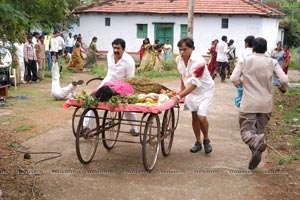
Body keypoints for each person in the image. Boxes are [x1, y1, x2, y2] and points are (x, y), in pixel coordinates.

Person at [230, 37, 289, 170]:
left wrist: (242, 84)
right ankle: (254, 155)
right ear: (266, 48)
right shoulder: (272, 62)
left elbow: (233, 78)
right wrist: (283, 88)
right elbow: (284, 79)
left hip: (249, 103)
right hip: (265, 104)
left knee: (247, 133)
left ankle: (257, 145)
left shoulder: (244, 60)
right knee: (259, 132)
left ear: (253, 48)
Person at [84, 38, 138, 136]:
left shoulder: (129, 61)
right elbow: (110, 71)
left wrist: (122, 92)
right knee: (93, 99)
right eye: (114, 48)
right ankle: (86, 127)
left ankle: (134, 128)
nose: (116, 50)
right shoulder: (109, 54)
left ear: (124, 49)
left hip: (122, 85)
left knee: (126, 105)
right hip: (108, 82)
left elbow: (130, 80)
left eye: (118, 48)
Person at [174, 38, 214, 154]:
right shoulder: (179, 59)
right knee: (194, 116)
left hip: (205, 90)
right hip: (190, 91)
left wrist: (179, 96)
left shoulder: (199, 62)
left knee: (202, 117)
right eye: (180, 49)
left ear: (192, 49)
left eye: (184, 49)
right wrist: (181, 95)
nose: (182, 52)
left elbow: (193, 84)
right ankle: (198, 142)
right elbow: (183, 76)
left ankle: (206, 139)